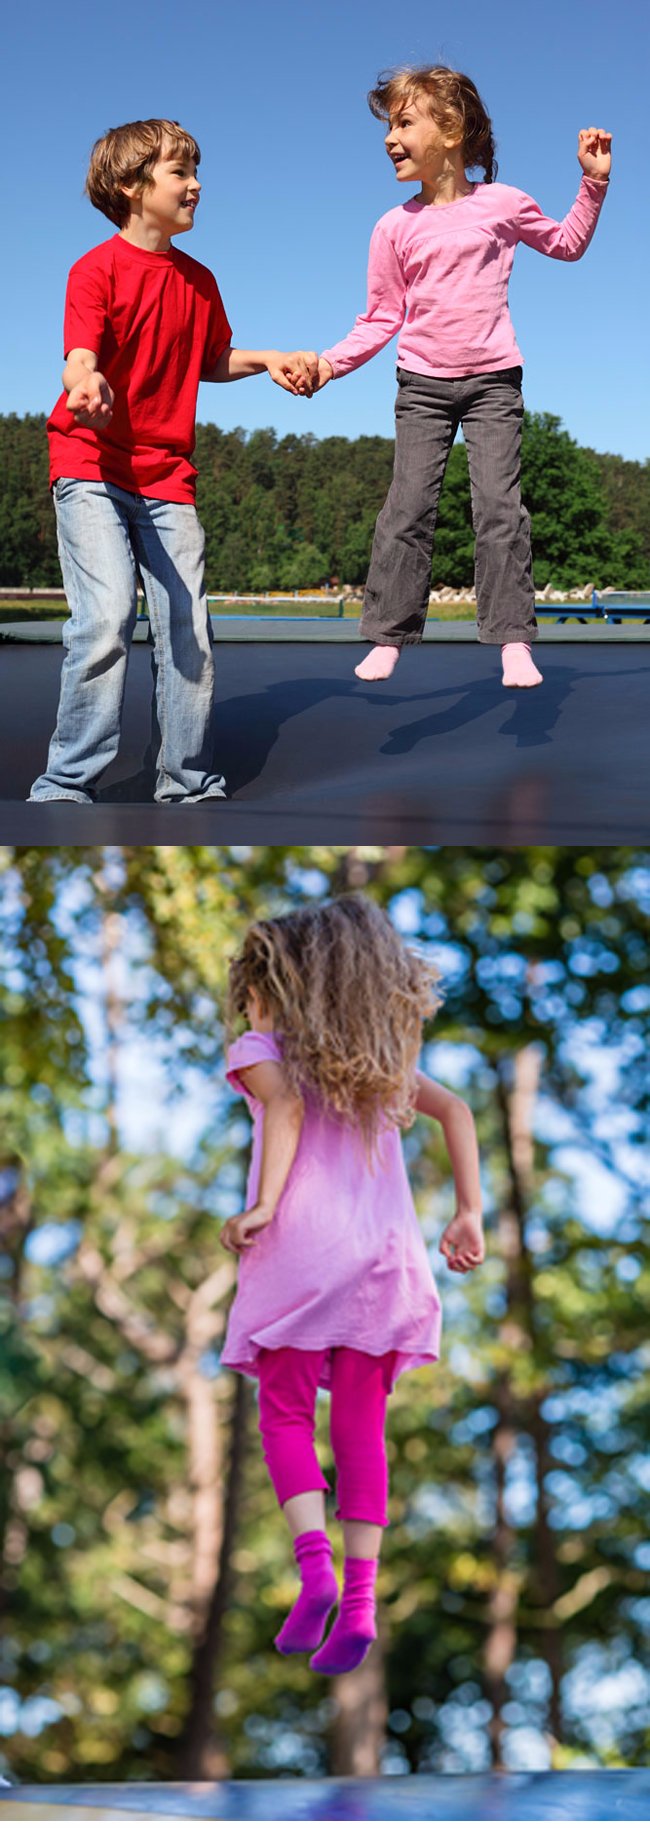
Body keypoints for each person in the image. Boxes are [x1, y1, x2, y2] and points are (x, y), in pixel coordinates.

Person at [219, 895, 484, 1674]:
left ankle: (315, 1571)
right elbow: (458, 1110)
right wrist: (469, 1213)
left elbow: (286, 1107)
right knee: (361, 1427)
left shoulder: (264, 1046)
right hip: (385, 1262)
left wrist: (263, 1204)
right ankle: (362, 1601)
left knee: (286, 1417)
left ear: (276, 983)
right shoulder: (381, 1064)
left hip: (301, 1250)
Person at [29, 118, 318, 804]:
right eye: (179, 173)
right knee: (103, 622)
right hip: (90, 465)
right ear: (131, 186)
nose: (196, 185)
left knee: (188, 628)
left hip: (166, 477)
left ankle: (186, 781)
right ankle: (66, 783)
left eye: (195, 171)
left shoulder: (199, 280)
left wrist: (269, 359)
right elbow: (81, 353)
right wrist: (84, 381)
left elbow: (211, 359)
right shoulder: (95, 270)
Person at [304, 67, 611, 687]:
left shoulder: (503, 204)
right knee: (407, 508)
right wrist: (331, 364)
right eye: (388, 126)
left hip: (494, 380)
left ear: (451, 129)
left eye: (403, 122)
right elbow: (381, 316)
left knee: (500, 509)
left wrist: (593, 183)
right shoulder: (393, 227)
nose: (390, 138)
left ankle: (512, 639)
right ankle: (389, 633)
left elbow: (566, 244)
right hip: (421, 384)